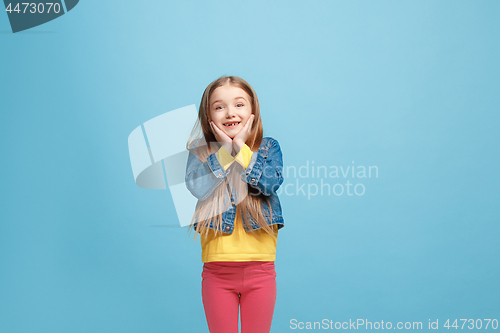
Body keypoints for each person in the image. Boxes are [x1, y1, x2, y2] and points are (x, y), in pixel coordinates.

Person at [184, 75, 285, 333]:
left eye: (239, 105)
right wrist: (226, 153)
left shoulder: (267, 148)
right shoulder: (200, 151)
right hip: (217, 272)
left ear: (253, 111)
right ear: (209, 117)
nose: (230, 112)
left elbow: (269, 183)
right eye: (219, 107)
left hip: (261, 269)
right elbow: (197, 187)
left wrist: (241, 148)